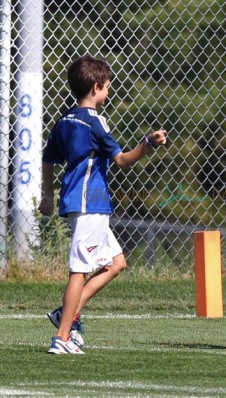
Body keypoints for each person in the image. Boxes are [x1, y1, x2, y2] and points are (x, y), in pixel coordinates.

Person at [39, 55, 167, 354]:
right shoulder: (94, 121)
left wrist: (47, 193)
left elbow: (48, 159)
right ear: (96, 87)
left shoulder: (66, 119)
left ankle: (66, 313)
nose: (109, 92)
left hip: (82, 201)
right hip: (90, 202)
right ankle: (63, 336)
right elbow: (122, 161)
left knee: (116, 263)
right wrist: (147, 143)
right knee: (80, 270)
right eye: (108, 86)